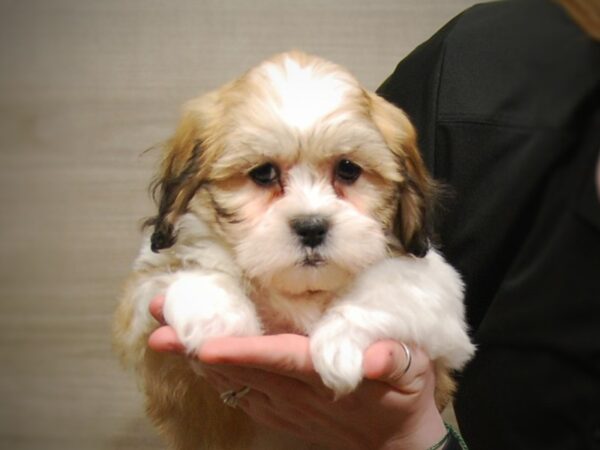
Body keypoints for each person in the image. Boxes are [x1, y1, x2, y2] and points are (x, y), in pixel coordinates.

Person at [148, 0, 600, 448]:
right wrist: (203, 291)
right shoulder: (472, 61)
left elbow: (440, 312)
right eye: (264, 175)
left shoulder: (401, 263)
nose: (311, 215)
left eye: (347, 172)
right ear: (187, 191)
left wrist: (366, 326)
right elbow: (152, 299)